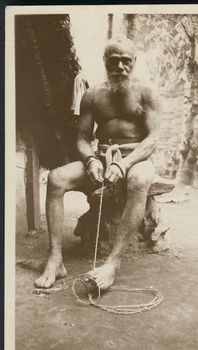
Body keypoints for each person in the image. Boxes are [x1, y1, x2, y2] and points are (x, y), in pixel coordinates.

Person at [35, 36, 161, 290]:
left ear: (134, 62)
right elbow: (82, 138)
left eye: (126, 61)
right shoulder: (93, 95)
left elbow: (153, 138)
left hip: (136, 159)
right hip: (102, 158)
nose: (120, 67)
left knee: (139, 179)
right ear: (105, 62)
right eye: (114, 61)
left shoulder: (147, 92)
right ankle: (56, 259)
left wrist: (123, 165)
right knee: (56, 178)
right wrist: (91, 160)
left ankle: (112, 263)